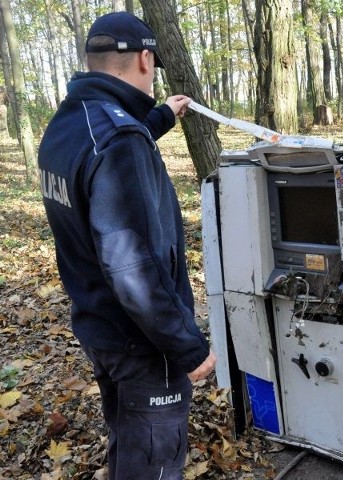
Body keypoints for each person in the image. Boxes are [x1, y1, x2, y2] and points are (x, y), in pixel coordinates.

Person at [37, 12, 216, 480]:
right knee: (153, 461)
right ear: (144, 57)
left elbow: (103, 165)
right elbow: (132, 264)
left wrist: (159, 118)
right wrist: (188, 347)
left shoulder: (68, 124)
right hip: (142, 341)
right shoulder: (119, 140)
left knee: (129, 441)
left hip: (100, 327)